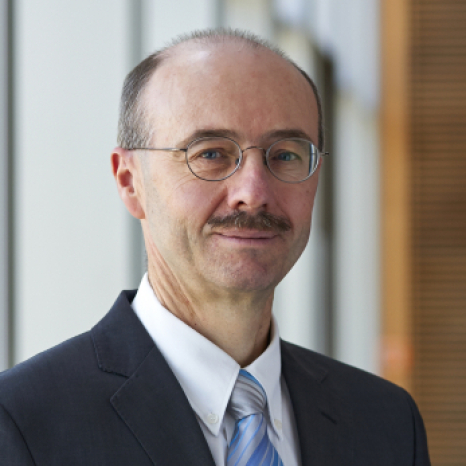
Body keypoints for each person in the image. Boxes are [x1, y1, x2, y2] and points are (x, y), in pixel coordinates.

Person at [0, 29, 430, 465]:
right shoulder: (22, 423)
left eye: (285, 154)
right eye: (210, 154)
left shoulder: (387, 422)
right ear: (130, 181)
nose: (253, 191)